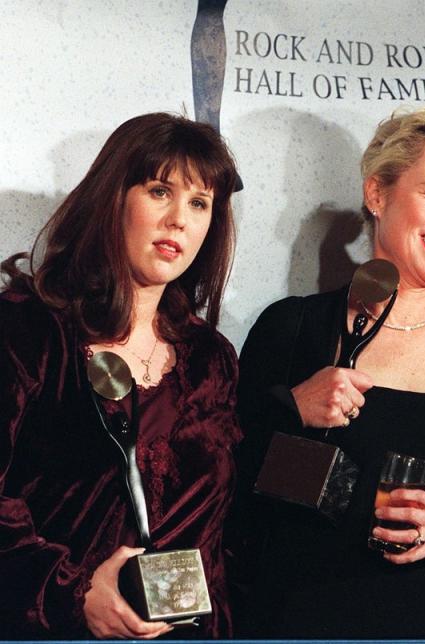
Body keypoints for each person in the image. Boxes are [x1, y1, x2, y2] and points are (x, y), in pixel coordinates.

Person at [230, 106, 425, 638]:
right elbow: (221, 488)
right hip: (299, 620)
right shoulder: (292, 329)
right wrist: (292, 408)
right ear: (377, 194)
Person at [0, 113, 241, 639]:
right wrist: (73, 592)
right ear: (113, 197)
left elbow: (219, 533)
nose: (180, 219)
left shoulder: (212, 359)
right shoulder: (27, 328)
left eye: (200, 203)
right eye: (160, 191)